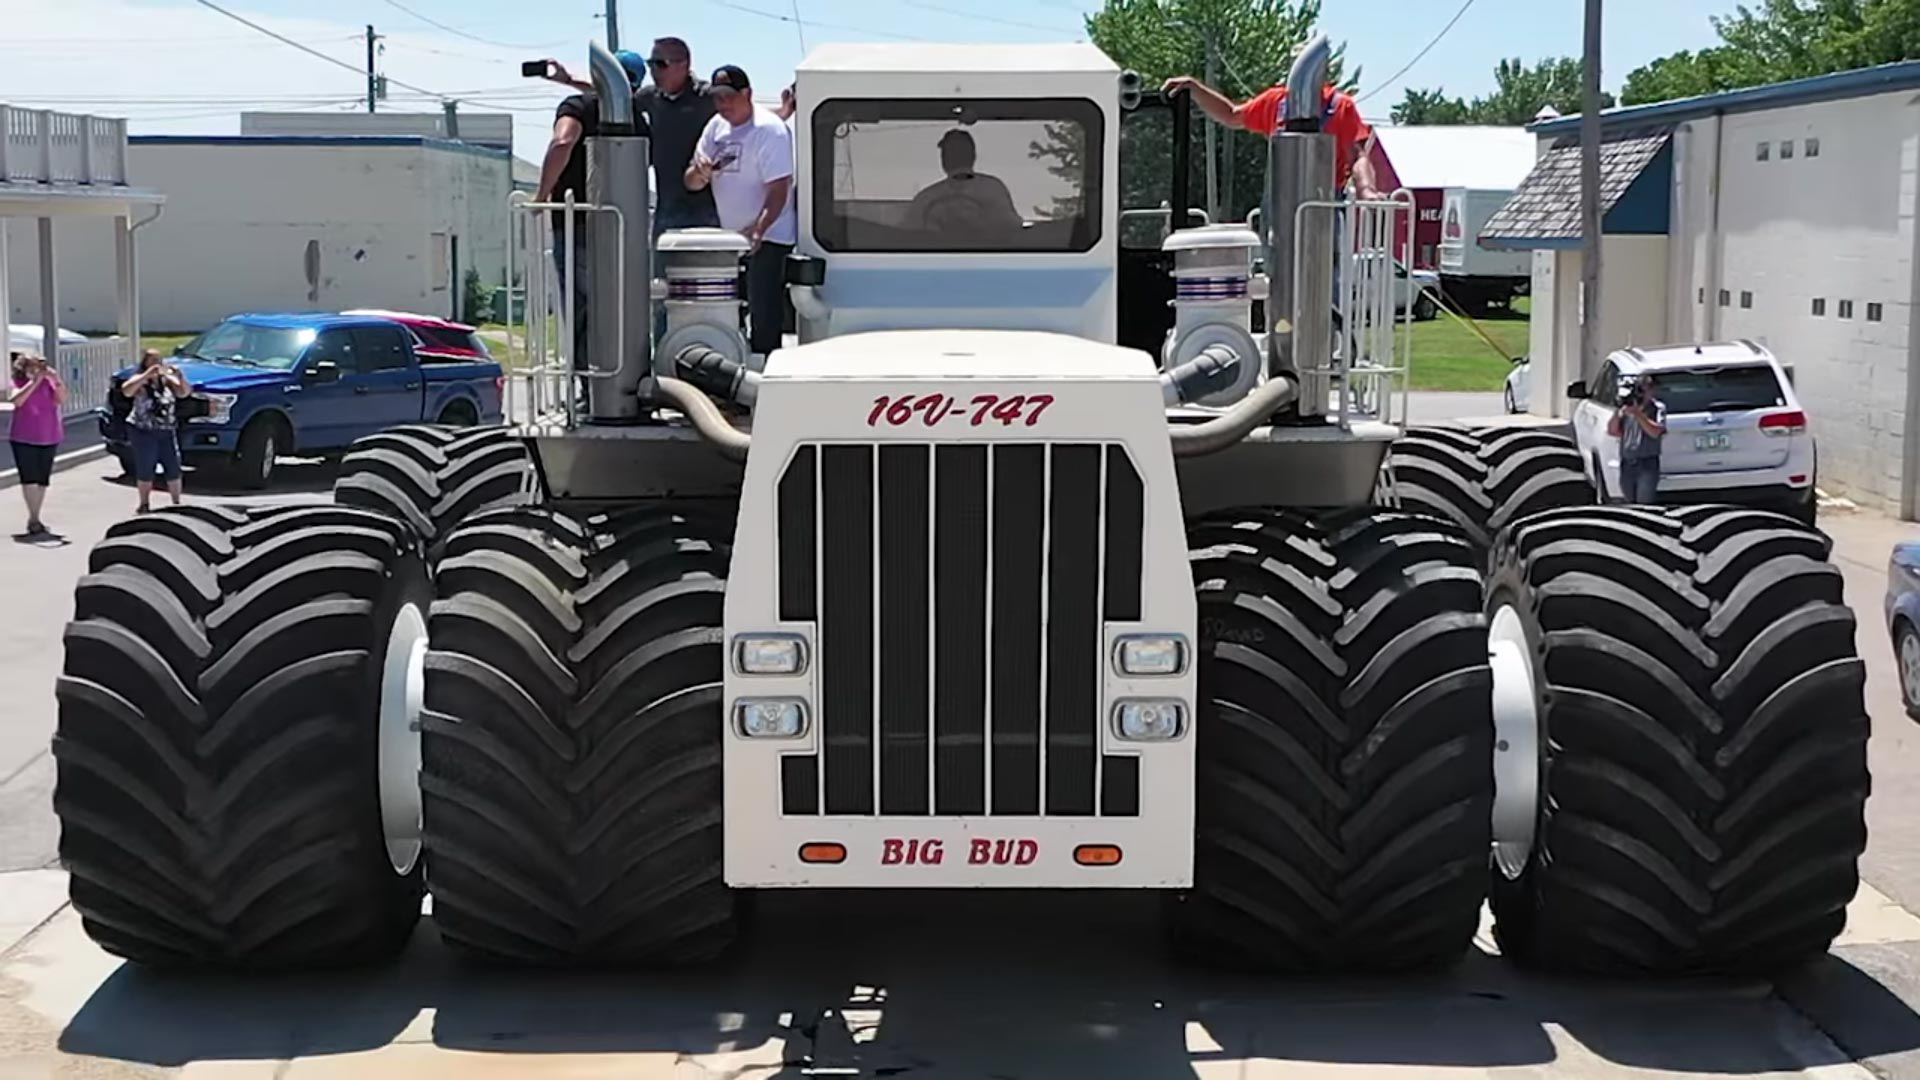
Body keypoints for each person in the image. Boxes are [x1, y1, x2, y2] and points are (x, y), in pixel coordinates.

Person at [685, 64, 796, 359]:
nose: (722, 104)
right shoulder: (715, 127)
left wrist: (758, 230)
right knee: (730, 309)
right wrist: (700, 173)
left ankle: (766, 369)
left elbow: (779, 189)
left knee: (764, 311)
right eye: (717, 97)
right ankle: (734, 368)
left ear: (747, 94)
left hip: (770, 236)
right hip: (730, 239)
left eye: (728, 97)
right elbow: (691, 182)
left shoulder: (769, 130)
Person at [1162, 55, 1381, 200]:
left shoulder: (1340, 106)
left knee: (1325, 266)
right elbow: (1231, 115)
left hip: (1326, 205)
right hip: (1279, 201)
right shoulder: (1275, 102)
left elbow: (1357, 156)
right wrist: (1194, 88)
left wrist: (1366, 190)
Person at [908, 130, 1023, 237]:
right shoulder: (993, 189)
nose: (953, 155)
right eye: (951, 151)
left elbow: (1011, 230)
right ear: (973, 156)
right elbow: (1013, 229)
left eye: (957, 151)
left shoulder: (927, 197)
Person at [121, 349, 189, 513]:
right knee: (146, 465)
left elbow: (184, 393)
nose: (155, 365)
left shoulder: (167, 381)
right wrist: (146, 375)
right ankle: (144, 503)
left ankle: (176, 502)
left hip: (166, 428)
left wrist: (180, 377)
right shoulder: (139, 380)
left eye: (158, 361)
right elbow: (126, 390)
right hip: (143, 430)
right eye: (151, 361)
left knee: (173, 465)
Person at [7, 350, 63, 537]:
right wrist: (34, 382)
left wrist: (56, 380)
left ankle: (35, 515)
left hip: (49, 434)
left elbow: (61, 399)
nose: (37, 368)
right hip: (24, 436)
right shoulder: (18, 383)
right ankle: (34, 517)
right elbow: (17, 401)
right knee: (29, 477)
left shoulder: (49, 383)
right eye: (32, 365)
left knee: (42, 479)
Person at [1609, 373, 1667, 503]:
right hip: (1627, 462)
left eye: (1646, 390)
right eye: (1640, 390)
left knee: (1644, 504)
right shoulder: (1626, 409)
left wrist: (1638, 414)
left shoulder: (1657, 408)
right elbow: (1613, 431)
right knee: (1629, 503)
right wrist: (1617, 411)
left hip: (1646, 463)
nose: (1643, 394)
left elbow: (1655, 432)